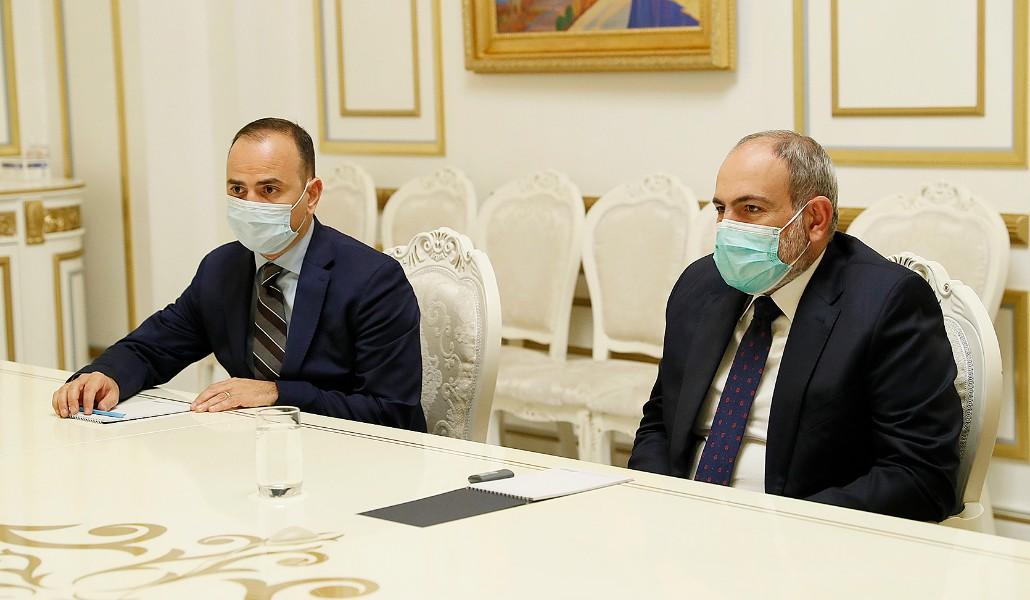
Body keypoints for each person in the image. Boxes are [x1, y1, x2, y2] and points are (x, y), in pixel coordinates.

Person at [629, 130, 961, 521]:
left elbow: (921, 476)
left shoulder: (887, 303)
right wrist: (658, 505)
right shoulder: (701, 285)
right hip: (682, 522)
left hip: (805, 533)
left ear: (815, 219)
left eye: (750, 209)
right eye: (720, 209)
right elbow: (660, 423)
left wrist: (785, 526)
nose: (727, 228)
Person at [51, 118, 426, 432]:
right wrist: (106, 375)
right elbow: (154, 348)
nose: (251, 204)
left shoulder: (373, 280)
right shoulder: (222, 268)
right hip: (250, 453)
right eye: (237, 189)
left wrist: (277, 394)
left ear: (311, 195)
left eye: (269, 189)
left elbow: (392, 412)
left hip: (356, 463)